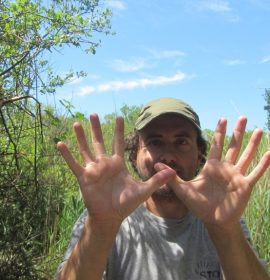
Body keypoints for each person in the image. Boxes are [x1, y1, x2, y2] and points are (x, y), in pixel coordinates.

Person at [56, 97, 270, 280]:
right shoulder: (101, 217)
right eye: (155, 142)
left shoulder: (225, 218)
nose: (168, 156)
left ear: (199, 156)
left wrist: (225, 230)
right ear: (134, 155)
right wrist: (101, 225)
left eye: (181, 142)